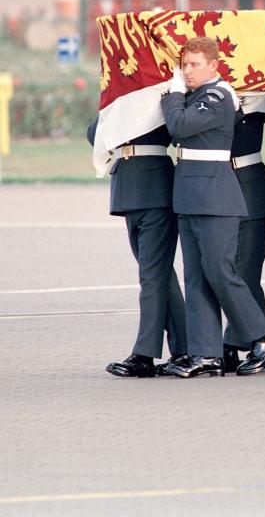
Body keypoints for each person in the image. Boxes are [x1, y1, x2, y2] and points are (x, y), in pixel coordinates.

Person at [160, 37, 265, 378]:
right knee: (196, 276)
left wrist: (172, 96)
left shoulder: (218, 95)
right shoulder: (194, 97)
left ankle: (262, 336)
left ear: (214, 65)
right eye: (184, 65)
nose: (187, 71)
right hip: (189, 194)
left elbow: (179, 126)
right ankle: (206, 353)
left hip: (215, 196)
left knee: (220, 271)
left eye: (195, 64)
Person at [87, 120, 187, 377]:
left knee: (152, 276)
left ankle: (144, 354)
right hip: (131, 188)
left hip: (154, 185)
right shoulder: (124, 98)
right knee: (159, 275)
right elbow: (94, 134)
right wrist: (113, 108)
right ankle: (185, 347)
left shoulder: (158, 92)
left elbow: (174, 130)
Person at [221, 107, 265, 372]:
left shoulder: (252, 96)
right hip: (222, 187)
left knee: (244, 272)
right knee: (234, 271)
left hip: (253, 189)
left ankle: (236, 342)